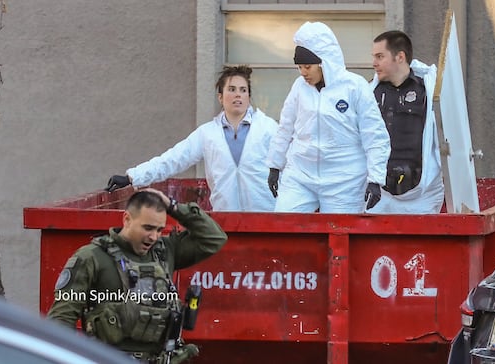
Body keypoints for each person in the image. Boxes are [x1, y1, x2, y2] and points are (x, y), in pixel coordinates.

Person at [48, 188, 228, 363]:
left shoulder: (165, 252)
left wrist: (172, 205)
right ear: (127, 219)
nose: (154, 237)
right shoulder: (91, 257)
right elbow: (61, 319)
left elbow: (213, 238)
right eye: (148, 228)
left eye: (159, 230)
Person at [105, 65, 279, 212]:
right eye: (231, 90)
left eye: (243, 90)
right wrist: (132, 177)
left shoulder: (267, 128)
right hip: (226, 222)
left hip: (266, 218)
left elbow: (290, 163)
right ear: (220, 96)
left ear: (249, 96)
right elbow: (174, 159)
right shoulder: (208, 133)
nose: (238, 95)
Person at [266, 21, 391, 213]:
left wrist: (375, 179)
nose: (303, 72)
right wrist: (275, 165)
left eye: (307, 66)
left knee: (340, 234)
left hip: (344, 181)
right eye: (299, 67)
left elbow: (374, 135)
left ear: (325, 61)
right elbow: (285, 127)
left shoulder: (354, 87)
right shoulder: (299, 88)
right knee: (286, 226)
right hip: (301, 175)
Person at [368, 30, 444, 214]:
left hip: (422, 194)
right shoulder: (369, 92)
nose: (374, 63)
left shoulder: (427, 90)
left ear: (400, 57)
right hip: (380, 193)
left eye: (380, 56)